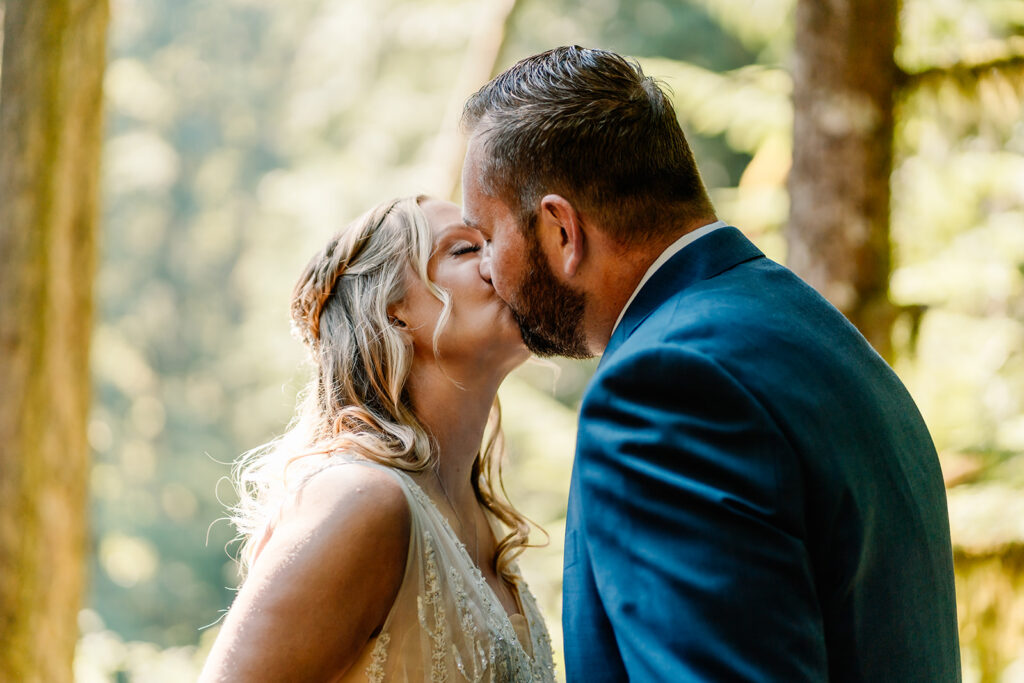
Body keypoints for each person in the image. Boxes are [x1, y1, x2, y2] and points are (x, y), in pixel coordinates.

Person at [461, 46, 960, 682]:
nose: (484, 267)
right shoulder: (817, 331)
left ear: (562, 231)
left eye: (486, 236)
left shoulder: (663, 389)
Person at [199, 196, 555, 682]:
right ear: (393, 313)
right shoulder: (361, 500)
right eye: (466, 249)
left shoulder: (484, 520)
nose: (501, 261)